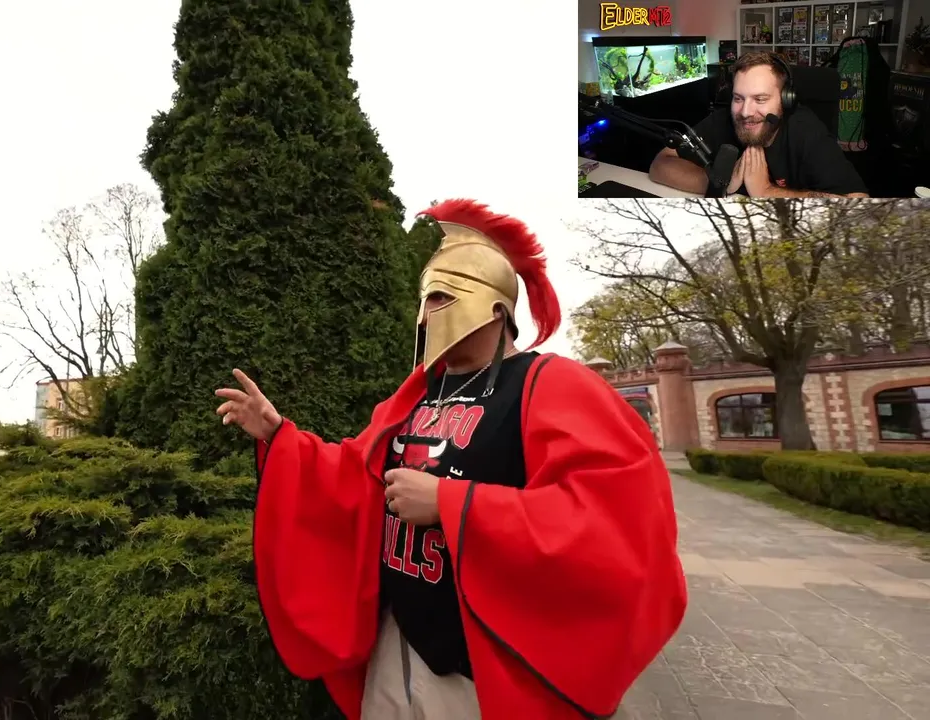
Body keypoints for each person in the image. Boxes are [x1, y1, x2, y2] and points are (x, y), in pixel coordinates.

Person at [215, 199, 687, 720]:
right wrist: (279, 434)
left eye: (444, 295)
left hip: (487, 661)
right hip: (396, 644)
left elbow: (612, 522)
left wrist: (451, 502)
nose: (429, 311)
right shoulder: (418, 393)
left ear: (497, 309)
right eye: (426, 297)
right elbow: (355, 473)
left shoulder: (552, 385)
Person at [648, 51, 868, 198]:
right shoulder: (724, 119)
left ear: (786, 100)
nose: (745, 112)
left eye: (760, 99)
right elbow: (660, 164)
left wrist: (767, 191)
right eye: (738, 98)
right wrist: (719, 182)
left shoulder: (805, 130)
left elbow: (857, 201)